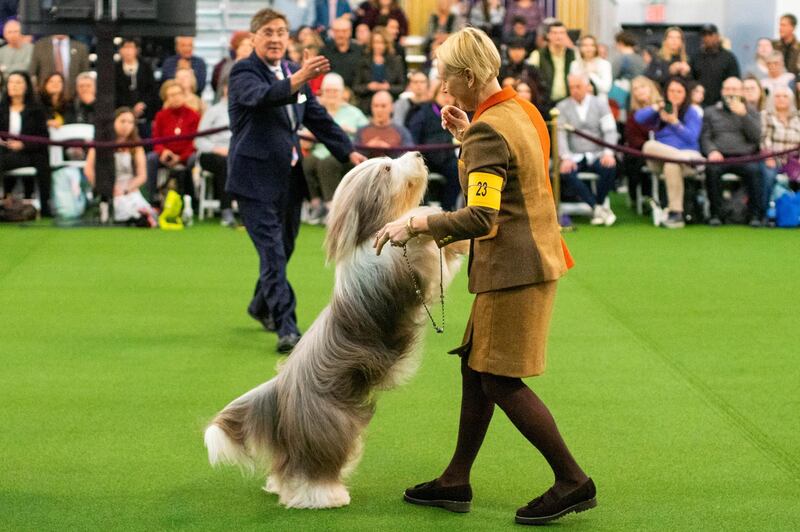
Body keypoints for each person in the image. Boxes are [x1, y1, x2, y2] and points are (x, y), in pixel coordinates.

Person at [374, 27, 593, 527]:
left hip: (515, 267)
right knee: (476, 368)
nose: (440, 81)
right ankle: (455, 479)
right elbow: (513, 170)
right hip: (533, 257)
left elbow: (481, 218)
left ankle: (571, 480)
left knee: (497, 376)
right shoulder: (519, 110)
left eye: (445, 73)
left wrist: (417, 223)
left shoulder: (487, 130)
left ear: (467, 76)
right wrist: (465, 134)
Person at [227, 8, 365, 353]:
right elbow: (263, 97)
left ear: (288, 38)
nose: (275, 38)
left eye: (281, 32)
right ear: (254, 37)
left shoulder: (291, 71)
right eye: (268, 32)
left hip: (288, 177)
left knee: (284, 248)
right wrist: (300, 77)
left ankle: (260, 305)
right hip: (253, 179)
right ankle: (287, 327)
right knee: (273, 252)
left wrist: (348, 153)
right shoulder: (244, 71)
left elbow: (316, 117)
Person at [636, 77, 704, 228]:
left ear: (685, 94)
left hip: (687, 155)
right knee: (648, 145)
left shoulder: (692, 112)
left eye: (679, 91)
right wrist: (657, 107)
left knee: (671, 165)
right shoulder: (660, 109)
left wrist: (674, 122)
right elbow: (639, 118)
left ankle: (676, 214)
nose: (674, 94)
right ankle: (681, 159)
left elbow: (692, 136)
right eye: (671, 91)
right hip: (675, 158)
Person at [302, 72, 368, 224]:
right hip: (317, 151)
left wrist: (350, 131)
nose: (331, 94)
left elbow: (365, 133)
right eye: (328, 91)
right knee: (307, 162)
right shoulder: (315, 111)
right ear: (322, 92)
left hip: (344, 153)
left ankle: (331, 208)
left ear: (342, 93)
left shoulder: (354, 112)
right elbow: (304, 136)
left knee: (327, 163)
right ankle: (315, 204)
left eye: (335, 91)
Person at [556, 73, 618, 226]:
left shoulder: (601, 104)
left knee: (609, 167)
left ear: (587, 87)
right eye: (571, 87)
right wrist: (565, 157)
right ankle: (597, 208)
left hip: (597, 153)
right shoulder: (562, 107)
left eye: (578, 87)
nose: (575, 90)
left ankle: (596, 205)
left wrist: (608, 153)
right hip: (574, 155)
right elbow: (560, 134)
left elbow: (610, 130)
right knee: (566, 172)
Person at [701, 77, 763, 226]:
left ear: (741, 92)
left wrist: (744, 115)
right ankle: (716, 214)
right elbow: (705, 137)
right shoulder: (710, 112)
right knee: (711, 171)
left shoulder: (751, 111)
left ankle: (755, 216)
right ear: (722, 91)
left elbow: (756, 137)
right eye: (727, 89)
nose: (730, 93)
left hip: (745, 157)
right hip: (720, 156)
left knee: (755, 171)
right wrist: (712, 151)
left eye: (734, 89)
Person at [84, 107, 157, 226]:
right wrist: (104, 188)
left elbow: (142, 175)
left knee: (141, 210)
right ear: (114, 122)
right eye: (122, 121)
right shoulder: (101, 143)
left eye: (130, 122)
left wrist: (126, 189)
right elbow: (88, 170)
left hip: (129, 189)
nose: (126, 126)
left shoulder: (136, 146)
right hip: (107, 188)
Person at [0, 70, 51, 216]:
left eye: (18, 82)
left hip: (30, 153)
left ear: (26, 86)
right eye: (11, 82)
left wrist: (23, 145)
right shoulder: (2, 108)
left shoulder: (37, 110)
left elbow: (43, 138)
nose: (14, 86)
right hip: (5, 151)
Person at [407, 82, 460, 209]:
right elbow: (413, 138)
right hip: (425, 157)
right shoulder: (422, 112)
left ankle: (448, 210)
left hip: (448, 157)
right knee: (417, 173)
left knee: (458, 170)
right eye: (443, 93)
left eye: (451, 95)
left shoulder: (458, 115)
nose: (447, 97)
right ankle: (421, 209)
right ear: (435, 94)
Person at [146, 80, 199, 204]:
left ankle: (191, 197)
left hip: (186, 155)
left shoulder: (193, 115)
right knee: (151, 158)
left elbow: (195, 141)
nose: (175, 98)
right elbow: (156, 139)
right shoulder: (161, 116)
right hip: (166, 154)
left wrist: (180, 158)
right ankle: (152, 198)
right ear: (166, 98)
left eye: (178, 94)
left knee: (193, 159)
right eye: (171, 95)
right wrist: (163, 151)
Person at [196, 80, 236, 227]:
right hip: (212, 153)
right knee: (224, 163)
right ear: (224, 89)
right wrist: (217, 149)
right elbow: (199, 140)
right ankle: (226, 210)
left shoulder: (247, 111)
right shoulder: (213, 111)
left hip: (237, 154)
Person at [760, 86, 800, 216]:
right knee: (768, 176)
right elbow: (764, 138)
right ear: (772, 100)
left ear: (791, 100)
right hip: (773, 159)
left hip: (794, 160)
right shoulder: (766, 115)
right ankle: (764, 213)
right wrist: (768, 156)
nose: (781, 99)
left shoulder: (798, 117)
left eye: (785, 96)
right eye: (777, 96)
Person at [623, 75, 661, 204]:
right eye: (635, 89)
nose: (639, 91)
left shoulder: (664, 105)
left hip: (665, 148)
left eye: (642, 87)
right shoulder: (633, 114)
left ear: (651, 88)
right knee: (634, 160)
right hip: (641, 151)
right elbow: (632, 137)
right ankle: (644, 196)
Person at [352, 26, 405, 113]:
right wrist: (368, 87)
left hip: (389, 104)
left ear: (386, 44)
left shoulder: (396, 61)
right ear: (371, 43)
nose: (378, 46)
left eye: (381, 43)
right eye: (376, 42)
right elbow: (356, 87)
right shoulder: (362, 61)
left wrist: (388, 87)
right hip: (367, 105)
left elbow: (402, 86)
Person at [114, 38, 159, 139]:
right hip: (121, 111)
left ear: (137, 50)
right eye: (125, 48)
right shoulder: (115, 69)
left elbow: (152, 90)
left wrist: (143, 104)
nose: (128, 51)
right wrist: (129, 109)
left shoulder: (146, 67)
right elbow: (114, 92)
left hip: (144, 114)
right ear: (120, 50)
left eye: (131, 47)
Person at [527, 20, 575, 111]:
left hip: (569, 102)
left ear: (566, 36)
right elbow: (530, 80)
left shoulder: (573, 55)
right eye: (554, 33)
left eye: (562, 33)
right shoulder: (537, 55)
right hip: (544, 103)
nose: (558, 36)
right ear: (548, 35)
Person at [691, 24, 740, 106]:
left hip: (723, 105)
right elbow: (691, 81)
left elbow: (735, 81)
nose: (707, 38)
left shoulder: (729, 57)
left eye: (710, 34)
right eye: (704, 35)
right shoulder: (695, 58)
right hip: (700, 104)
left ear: (717, 36)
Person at [354, 90, 413, 157]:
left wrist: (388, 149)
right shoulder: (361, 131)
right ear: (371, 107)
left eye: (383, 106)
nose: (379, 110)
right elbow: (354, 157)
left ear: (391, 107)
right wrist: (368, 147)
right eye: (376, 106)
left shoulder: (402, 132)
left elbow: (409, 157)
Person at [321, 17, 363, 89]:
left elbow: (362, 75)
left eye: (344, 31)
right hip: (332, 92)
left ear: (350, 32)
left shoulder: (360, 51)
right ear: (332, 32)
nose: (340, 35)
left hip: (356, 93)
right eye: (337, 31)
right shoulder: (324, 51)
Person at [569, 35, 613, 101]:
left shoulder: (604, 64)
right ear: (580, 48)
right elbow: (572, 86)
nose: (588, 48)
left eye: (592, 45)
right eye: (585, 45)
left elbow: (606, 87)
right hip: (579, 101)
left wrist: (591, 73)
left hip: (599, 102)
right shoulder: (574, 64)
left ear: (596, 48)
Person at [211, 31, 253, 99]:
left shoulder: (258, 66)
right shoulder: (224, 66)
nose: (246, 48)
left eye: (250, 45)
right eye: (242, 45)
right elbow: (218, 88)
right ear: (236, 47)